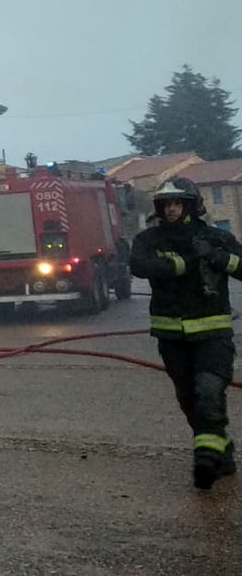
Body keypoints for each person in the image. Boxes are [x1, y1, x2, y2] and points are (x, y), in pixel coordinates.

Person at [130, 177, 242, 490]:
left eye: (177, 203)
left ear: (191, 205)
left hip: (212, 332)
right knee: (189, 398)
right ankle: (223, 450)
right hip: (171, 337)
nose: (172, 209)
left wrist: (222, 259)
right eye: (166, 204)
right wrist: (184, 263)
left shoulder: (216, 238)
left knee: (209, 391)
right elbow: (138, 265)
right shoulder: (150, 240)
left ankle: (205, 458)